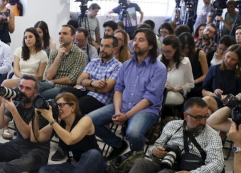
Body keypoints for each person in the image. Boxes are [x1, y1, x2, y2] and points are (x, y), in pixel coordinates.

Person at [105, 97, 224, 173]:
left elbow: (217, 164)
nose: (203, 122)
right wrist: (155, 151)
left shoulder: (212, 136)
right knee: (141, 162)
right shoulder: (173, 125)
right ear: (185, 115)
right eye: (198, 118)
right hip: (164, 164)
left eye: (206, 116)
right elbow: (155, 146)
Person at [87, 28, 167, 158]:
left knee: (133, 133)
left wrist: (127, 115)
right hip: (122, 105)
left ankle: (136, 159)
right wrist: (118, 111)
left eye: (141, 40)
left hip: (146, 109)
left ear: (151, 45)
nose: (136, 43)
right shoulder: (126, 65)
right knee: (89, 120)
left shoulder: (159, 68)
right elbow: (118, 89)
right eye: (135, 40)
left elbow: (149, 99)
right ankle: (118, 144)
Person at [34, 93, 106, 173]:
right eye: (56, 105)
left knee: (93, 153)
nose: (58, 109)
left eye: (61, 105)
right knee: (44, 171)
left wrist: (51, 119)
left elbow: (70, 139)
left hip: (94, 169)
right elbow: (38, 137)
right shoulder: (58, 122)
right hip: (74, 166)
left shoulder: (85, 120)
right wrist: (36, 116)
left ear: (73, 107)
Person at [0, 27, 48, 140]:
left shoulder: (42, 54)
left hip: (32, 81)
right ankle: (4, 127)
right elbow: (15, 70)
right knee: (6, 93)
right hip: (18, 79)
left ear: (36, 38)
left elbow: (40, 75)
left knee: (5, 84)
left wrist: (25, 80)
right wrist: (22, 79)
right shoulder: (19, 50)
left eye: (30, 37)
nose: (27, 39)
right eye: (25, 37)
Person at [39, 25, 86, 100]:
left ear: (73, 36)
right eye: (60, 33)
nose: (61, 36)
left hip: (65, 88)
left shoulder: (79, 54)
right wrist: (59, 56)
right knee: (32, 87)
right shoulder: (55, 53)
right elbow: (48, 76)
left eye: (65, 33)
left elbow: (71, 80)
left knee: (42, 95)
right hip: (50, 84)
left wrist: (53, 81)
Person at [202, 44, 241, 114]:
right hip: (214, 100)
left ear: (238, 61)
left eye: (233, 59)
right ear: (225, 55)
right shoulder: (214, 68)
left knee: (207, 104)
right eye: (227, 57)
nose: (228, 61)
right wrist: (215, 95)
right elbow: (204, 90)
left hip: (231, 106)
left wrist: (228, 98)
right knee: (207, 111)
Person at [159, 35, 194, 105]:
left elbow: (190, 84)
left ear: (176, 49)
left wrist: (175, 89)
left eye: (168, 52)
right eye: (163, 51)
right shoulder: (159, 59)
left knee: (156, 98)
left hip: (176, 93)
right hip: (161, 91)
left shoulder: (185, 62)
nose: (165, 54)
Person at [179, 32, 209, 98]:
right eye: (183, 48)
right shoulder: (178, 53)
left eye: (187, 48)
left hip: (196, 85)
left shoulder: (200, 53)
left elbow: (206, 74)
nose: (185, 50)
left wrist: (194, 81)